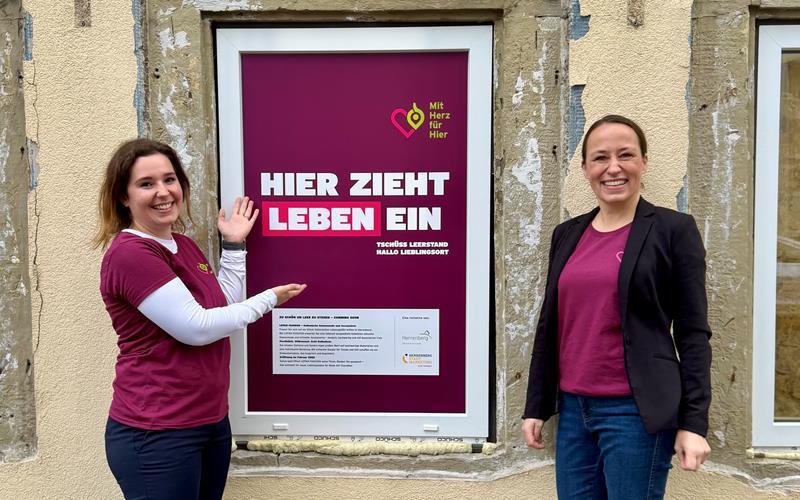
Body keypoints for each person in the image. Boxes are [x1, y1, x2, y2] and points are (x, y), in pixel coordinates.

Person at [94, 139, 306, 500]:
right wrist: (269, 300)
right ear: (123, 197)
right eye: (146, 184)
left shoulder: (183, 245)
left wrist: (235, 246)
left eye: (170, 179)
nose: (163, 192)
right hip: (158, 433)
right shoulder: (131, 254)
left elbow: (220, 304)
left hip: (208, 423)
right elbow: (197, 328)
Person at [521, 115, 712, 499]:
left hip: (635, 413)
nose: (613, 167)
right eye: (600, 157)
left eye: (625, 155)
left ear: (644, 161)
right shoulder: (568, 234)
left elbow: (694, 333)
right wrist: (536, 405)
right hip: (574, 410)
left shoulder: (673, 231)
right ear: (585, 168)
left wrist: (694, 423)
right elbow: (551, 325)